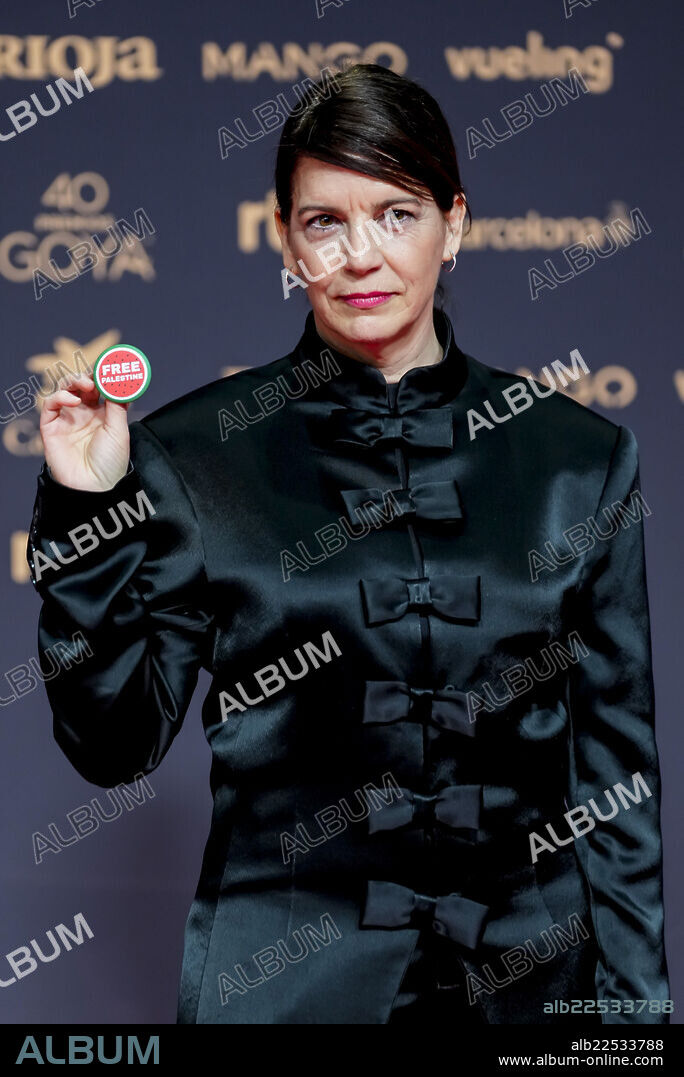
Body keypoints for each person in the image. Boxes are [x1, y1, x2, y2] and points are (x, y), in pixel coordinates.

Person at [27, 63, 669, 1025]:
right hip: (282, 994)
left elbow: (616, 786)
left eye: (397, 213)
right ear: (285, 239)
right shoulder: (196, 455)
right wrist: (89, 510)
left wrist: (630, 1029)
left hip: (531, 997)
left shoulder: (577, 461)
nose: (361, 255)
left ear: (454, 224)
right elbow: (114, 745)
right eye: (325, 221)